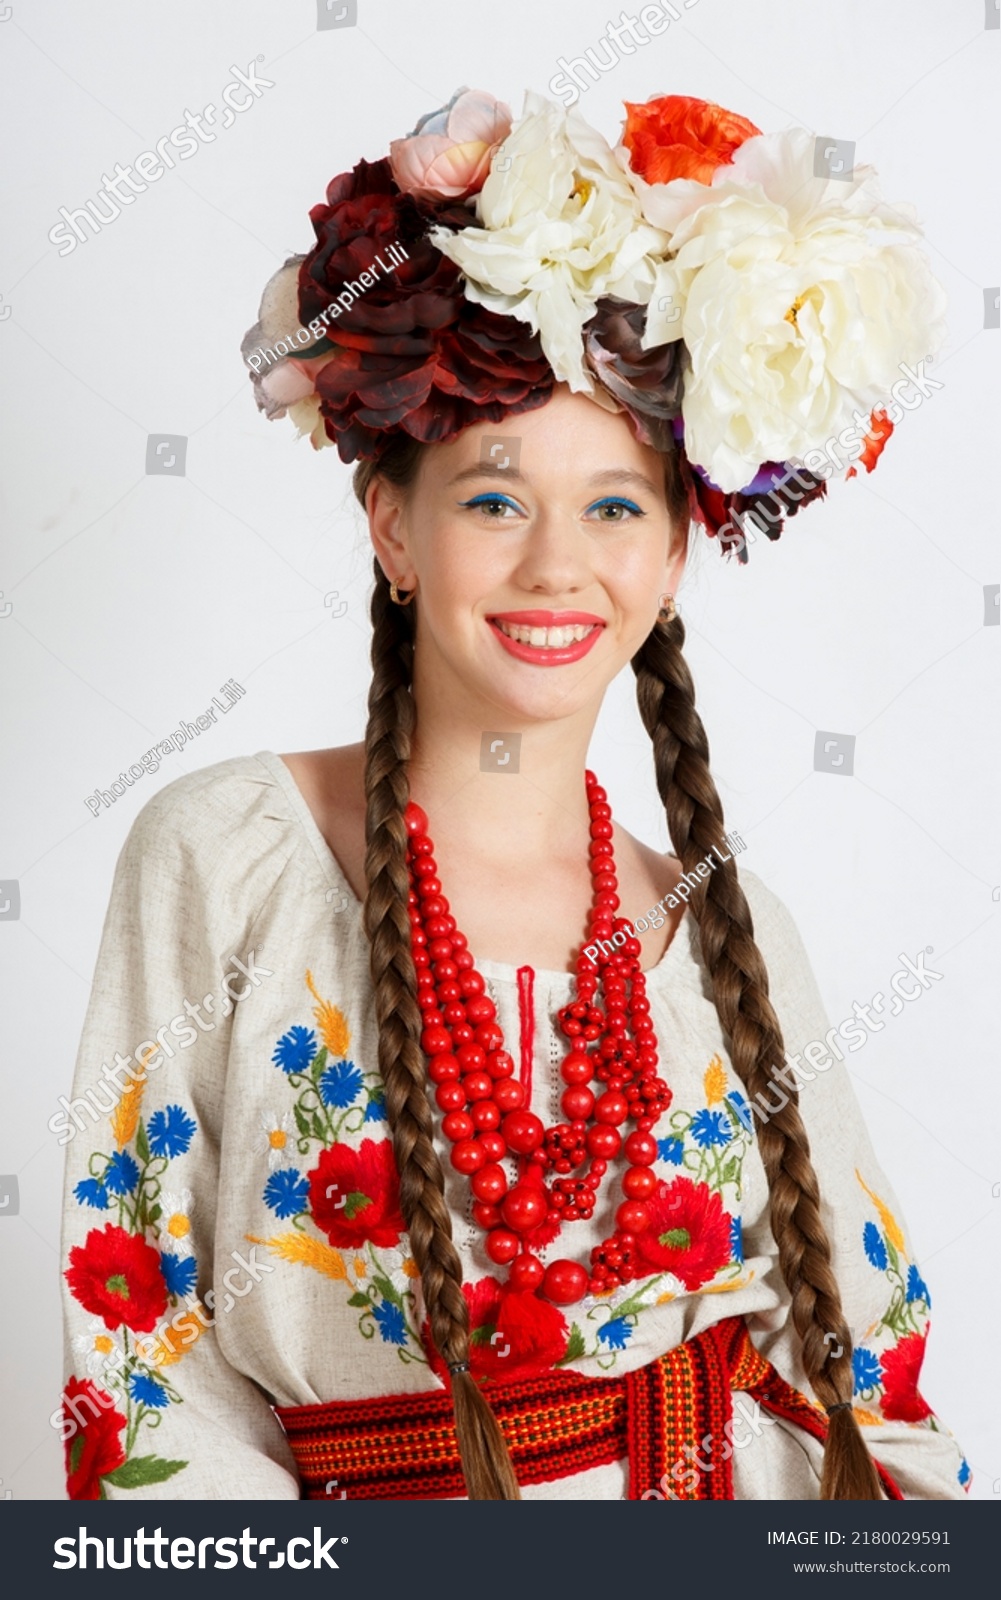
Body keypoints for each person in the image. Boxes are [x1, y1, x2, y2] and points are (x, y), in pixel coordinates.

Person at [58, 88, 967, 1502]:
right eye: (492, 498)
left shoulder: (722, 929)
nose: (556, 564)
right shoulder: (226, 857)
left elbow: (860, 1369)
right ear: (392, 527)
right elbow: (138, 1358)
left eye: (614, 505)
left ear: (672, 559)